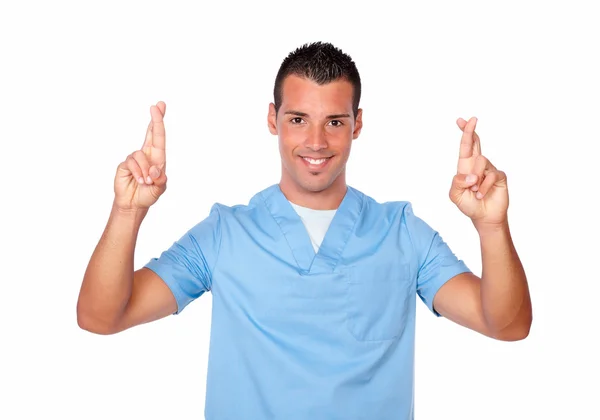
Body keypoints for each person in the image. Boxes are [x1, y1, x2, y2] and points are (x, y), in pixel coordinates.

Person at [77, 41, 532, 419]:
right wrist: (127, 212)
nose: (316, 142)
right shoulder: (224, 235)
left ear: (357, 125)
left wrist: (491, 226)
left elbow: (508, 325)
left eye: (335, 121)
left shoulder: (402, 234)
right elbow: (101, 317)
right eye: (298, 120)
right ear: (273, 119)